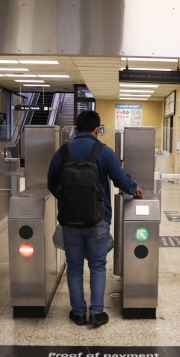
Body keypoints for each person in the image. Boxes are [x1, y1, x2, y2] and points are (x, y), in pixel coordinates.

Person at [47, 110, 143, 327]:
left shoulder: (62, 152)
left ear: (77, 128)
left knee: (74, 267)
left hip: (69, 221)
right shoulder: (104, 152)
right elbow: (120, 179)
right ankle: (97, 312)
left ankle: (79, 313)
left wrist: (68, 201)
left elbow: (51, 183)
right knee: (98, 265)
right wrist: (134, 187)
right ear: (97, 129)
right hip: (98, 220)